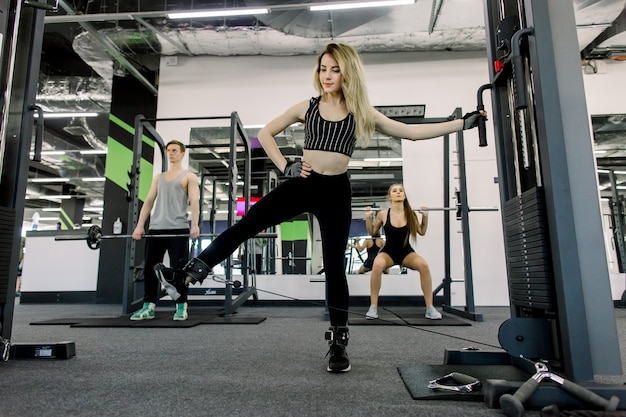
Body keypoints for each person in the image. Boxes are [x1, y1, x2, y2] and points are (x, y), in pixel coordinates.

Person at [159, 42, 485, 372]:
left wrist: (461, 124)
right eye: (323, 69)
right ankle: (188, 274)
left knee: (332, 265)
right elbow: (267, 133)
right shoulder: (308, 106)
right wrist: (285, 165)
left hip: (336, 192)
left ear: (348, 72)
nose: (327, 75)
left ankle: (339, 343)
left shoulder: (361, 112)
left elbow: (412, 132)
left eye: (335, 69)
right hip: (303, 184)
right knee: (248, 223)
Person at [130, 140, 200, 321]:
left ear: (182, 154)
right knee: (150, 268)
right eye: (168, 150)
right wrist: (140, 225)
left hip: (178, 228)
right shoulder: (158, 178)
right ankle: (149, 306)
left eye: (174, 150)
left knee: (179, 270)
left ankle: (181, 306)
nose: (171, 153)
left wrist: (195, 224)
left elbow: (194, 202)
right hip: (156, 229)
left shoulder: (189, 177)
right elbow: (149, 201)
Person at [364, 183, 442, 320]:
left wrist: (425, 216)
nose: (398, 192)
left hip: (406, 252)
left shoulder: (410, 213)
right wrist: (368, 217)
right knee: (377, 265)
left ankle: (430, 308)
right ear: (390, 196)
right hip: (388, 252)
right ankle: (373, 307)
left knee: (424, 266)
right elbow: (372, 232)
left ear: (404, 195)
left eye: (401, 190)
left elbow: (422, 231)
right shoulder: (383, 214)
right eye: (395, 191)